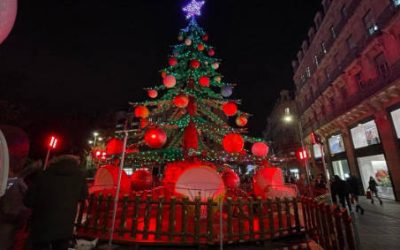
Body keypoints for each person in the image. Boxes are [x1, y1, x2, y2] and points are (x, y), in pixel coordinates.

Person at [24, 155, 88, 250]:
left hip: (42, 224)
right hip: (65, 224)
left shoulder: (43, 175)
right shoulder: (79, 177)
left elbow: (28, 200)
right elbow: (83, 196)